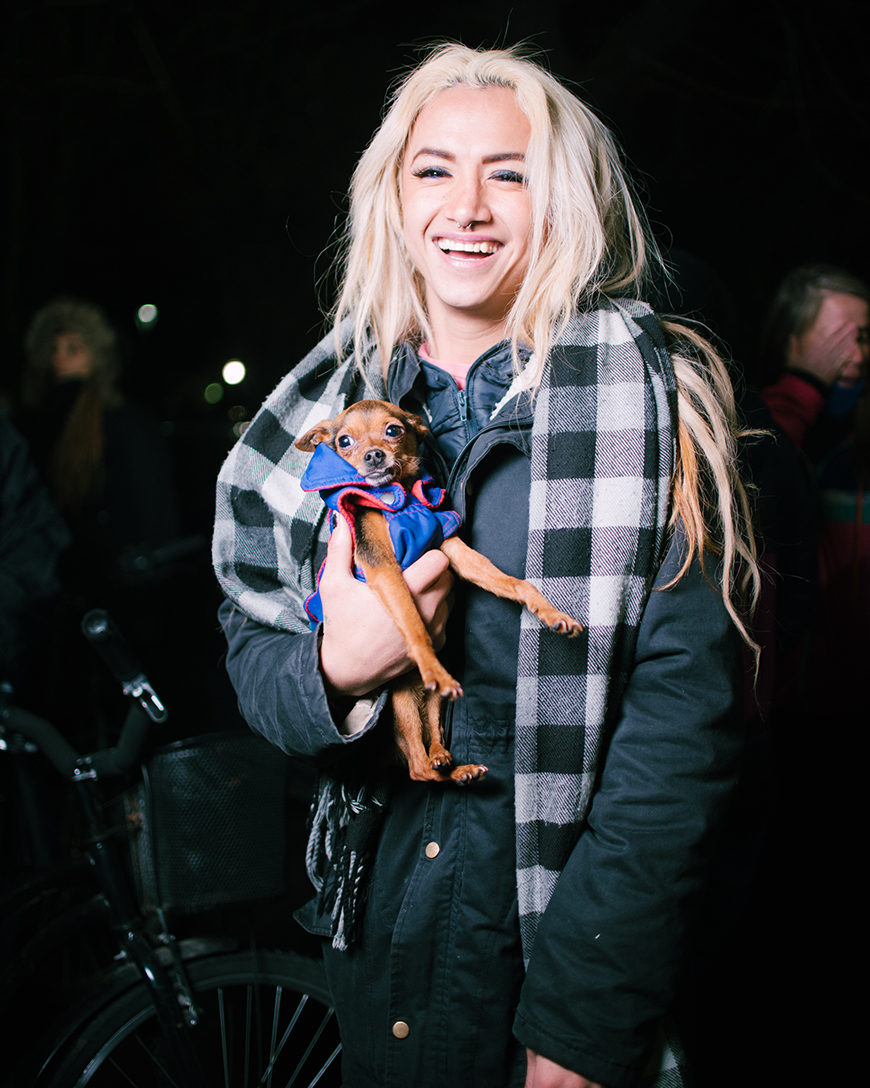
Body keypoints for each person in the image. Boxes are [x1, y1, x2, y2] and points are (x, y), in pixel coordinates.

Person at [213, 44, 759, 1088]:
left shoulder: (658, 404)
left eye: (508, 171)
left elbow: (683, 733)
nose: (468, 205)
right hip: (378, 936)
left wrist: (585, 1015)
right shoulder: (316, 416)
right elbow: (256, 668)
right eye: (435, 168)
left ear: (561, 199)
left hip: (554, 941)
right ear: (392, 194)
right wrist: (339, 667)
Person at [759, 264, 870, 464]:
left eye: (863, 338)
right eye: (836, 341)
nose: (858, 358)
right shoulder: (754, 418)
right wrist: (803, 387)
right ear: (789, 342)